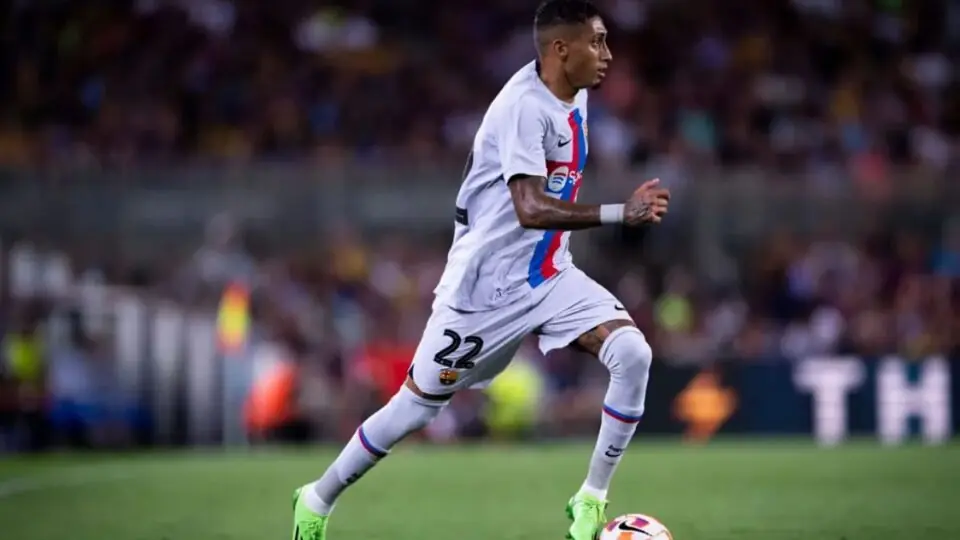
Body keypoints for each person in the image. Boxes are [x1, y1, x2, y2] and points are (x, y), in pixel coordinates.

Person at [291, 1, 670, 539]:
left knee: (632, 353)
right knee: (414, 410)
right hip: (483, 292)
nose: (607, 54)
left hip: (548, 274)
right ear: (561, 50)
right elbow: (530, 208)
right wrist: (619, 213)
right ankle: (316, 499)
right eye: (597, 42)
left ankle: (590, 500)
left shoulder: (576, 93)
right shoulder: (524, 107)